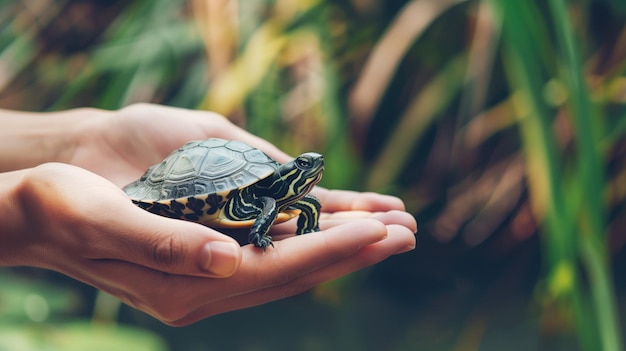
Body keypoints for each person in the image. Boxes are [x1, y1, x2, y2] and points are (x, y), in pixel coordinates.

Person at [0, 103, 417, 326]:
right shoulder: (268, 200)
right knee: (269, 206)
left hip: (240, 193)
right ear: (292, 172)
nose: (310, 168)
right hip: (183, 191)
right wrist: (20, 211)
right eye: (303, 167)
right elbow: (267, 206)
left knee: (301, 204)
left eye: (308, 167)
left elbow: (291, 204)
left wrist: (77, 140)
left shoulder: (291, 197)